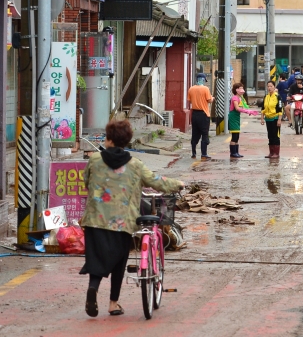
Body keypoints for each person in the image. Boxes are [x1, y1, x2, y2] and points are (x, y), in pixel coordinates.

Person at [80, 119, 184, 317]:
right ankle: (113, 303)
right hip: (122, 222)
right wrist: (178, 184)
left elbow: (87, 181)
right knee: (119, 261)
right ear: (127, 141)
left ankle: (93, 287)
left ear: (108, 138)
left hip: (95, 219)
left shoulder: (94, 159)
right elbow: (156, 182)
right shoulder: (135, 165)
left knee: (96, 258)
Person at [187, 76, 213, 159]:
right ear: (203, 80)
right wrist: (212, 98)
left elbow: (189, 100)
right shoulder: (205, 89)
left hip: (194, 114)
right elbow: (209, 100)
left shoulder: (191, 89)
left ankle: (193, 153)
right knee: (204, 134)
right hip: (203, 114)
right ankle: (204, 154)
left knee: (195, 134)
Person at [260, 80, 282, 158]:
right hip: (268, 119)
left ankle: (276, 153)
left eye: (271, 86)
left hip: (275, 118)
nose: (269, 88)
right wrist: (262, 118)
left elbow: (280, 109)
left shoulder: (277, 96)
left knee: (276, 135)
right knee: (270, 135)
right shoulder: (266, 96)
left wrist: (279, 119)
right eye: (268, 86)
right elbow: (263, 108)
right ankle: (271, 152)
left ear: (274, 87)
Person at [227, 82, 247, 159]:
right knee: (234, 136)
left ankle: (236, 152)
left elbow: (244, 106)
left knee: (237, 135)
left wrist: (248, 110)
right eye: (240, 88)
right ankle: (233, 153)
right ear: (236, 90)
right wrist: (246, 111)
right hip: (233, 118)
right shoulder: (235, 98)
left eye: (242, 88)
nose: (242, 90)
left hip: (237, 117)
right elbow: (237, 108)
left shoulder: (240, 98)